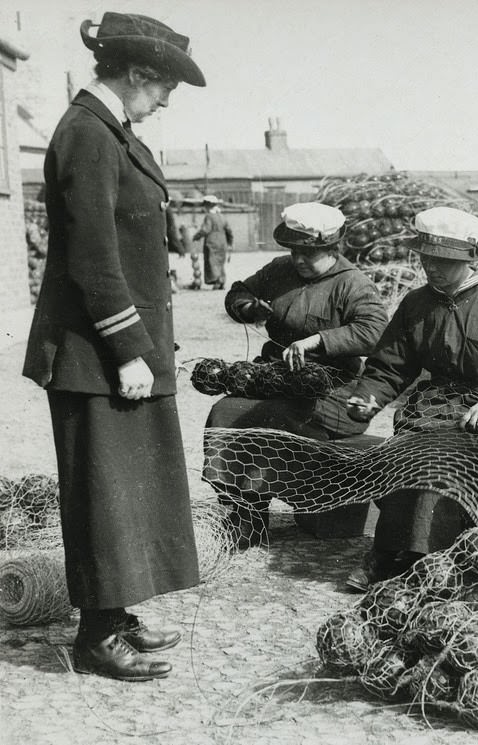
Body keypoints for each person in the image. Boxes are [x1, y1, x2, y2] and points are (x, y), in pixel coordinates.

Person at [21, 11, 206, 682]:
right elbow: (94, 259)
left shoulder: (108, 130)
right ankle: (95, 636)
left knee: (126, 490)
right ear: (137, 75)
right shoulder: (88, 135)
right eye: (162, 91)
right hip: (95, 353)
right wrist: (130, 347)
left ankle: (115, 613)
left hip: (116, 350)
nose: (162, 105)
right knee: (102, 493)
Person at [345, 206, 478, 590]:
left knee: (435, 462)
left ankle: (426, 560)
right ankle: (387, 553)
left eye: (443, 261)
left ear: (470, 259)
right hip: (433, 412)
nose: (432, 269)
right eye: (426, 259)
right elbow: (390, 365)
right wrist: (369, 396)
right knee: (396, 455)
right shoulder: (416, 303)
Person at [204, 202, 389, 547]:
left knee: (269, 418)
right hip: (276, 378)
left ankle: (267, 509)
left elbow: (376, 330)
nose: (299, 259)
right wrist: (245, 307)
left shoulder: (352, 284)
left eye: (309, 252)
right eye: (294, 251)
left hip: (330, 391)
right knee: (226, 411)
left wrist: (319, 340)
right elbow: (239, 291)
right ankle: (246, 514)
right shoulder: (280, 270)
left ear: (331, 248)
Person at [194, 194, 232, 289]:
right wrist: (230, 243)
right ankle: (222, 281)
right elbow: (229, 231)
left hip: (212, 243)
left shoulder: (209, 216)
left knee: (212, 262)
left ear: (208, 205)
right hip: (222, 243)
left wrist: (196, 236)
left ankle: (217, 281)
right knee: (220, 262)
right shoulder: (222, 216)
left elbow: (205, 229)